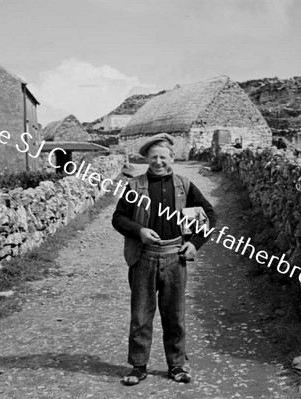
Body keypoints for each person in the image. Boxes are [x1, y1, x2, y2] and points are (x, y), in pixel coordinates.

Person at [112, 133, 216, 386]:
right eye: (153, 157)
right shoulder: (134, 186)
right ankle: (138, 366)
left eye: (163, 157)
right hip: (143, 259)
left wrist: (195, 243)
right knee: (140, 315)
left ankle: (176, 365)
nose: (159, 162)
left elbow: (210, 216)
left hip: (174, 258)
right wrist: (139, 232)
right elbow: (118, 218)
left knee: (175, 315)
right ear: (146, 159)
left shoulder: (185, 184)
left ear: (172, 158)